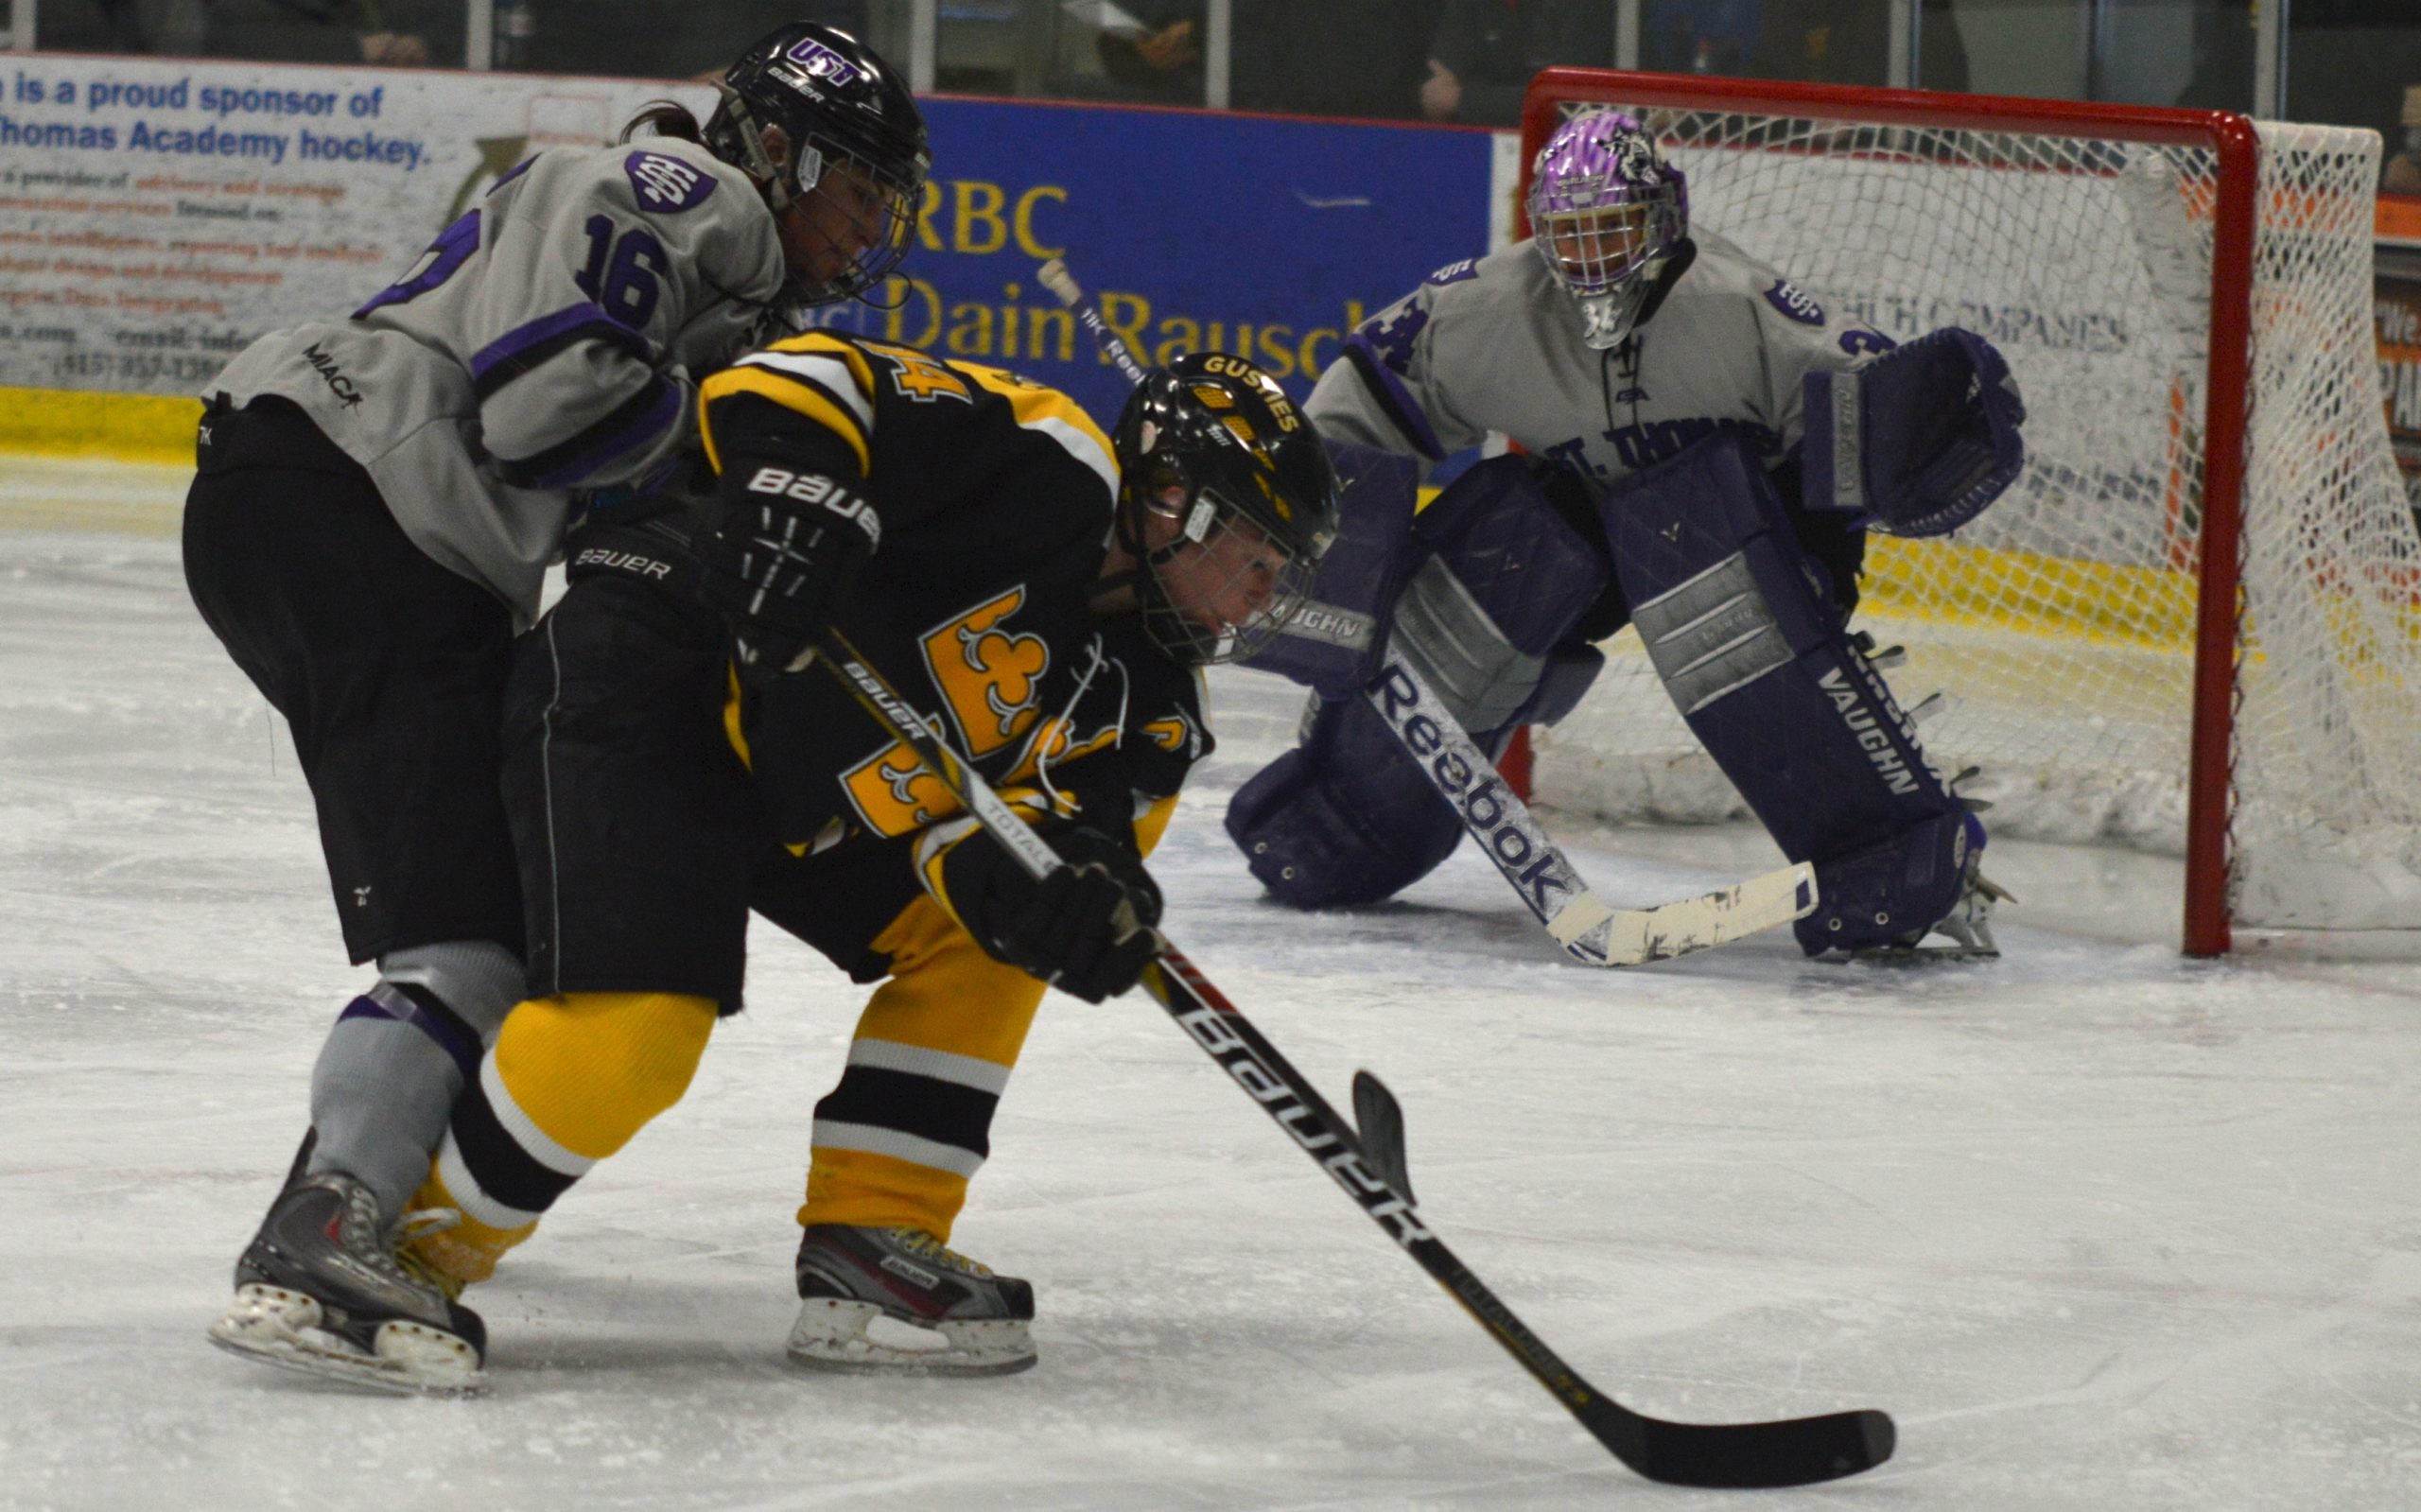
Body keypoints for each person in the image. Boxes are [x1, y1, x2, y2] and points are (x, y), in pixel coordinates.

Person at [303, 345, 1330, 1393]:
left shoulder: (1151, 709)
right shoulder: (1046, 462)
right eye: (1253, 559)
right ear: (1171, 504)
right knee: (637, 1040)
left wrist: (1071, 898)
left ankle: (877, 1227)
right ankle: (399, 1252)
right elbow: (799, 378)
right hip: (667, 675)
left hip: (813, 788)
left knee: (1011, 928)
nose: (1255, 601)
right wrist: (798, 502)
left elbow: (1023, 841)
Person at [198, 22, 929, 1392]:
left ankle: (351, 1196)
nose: (873, 221)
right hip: (365, 502)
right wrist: (714, 513)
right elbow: (544, 405)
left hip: (323, 497)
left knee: (481, 921)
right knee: (471, 936)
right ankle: (326, 1220)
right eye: (862, 185)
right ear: (779, 147)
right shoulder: (697, 200)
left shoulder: (707, 252)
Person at [1228, 108, 2025, 961]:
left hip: (1736, 526)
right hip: (1578, 526)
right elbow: (1362, 400)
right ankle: (1350, 816)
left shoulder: (1741, 305)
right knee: (1503, 555)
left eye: (1613, 228)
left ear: (1665, 215)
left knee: (1715, 571)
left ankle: (1891, 854)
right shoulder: (1490, 308)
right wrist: (1321, 558)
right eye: (1568, 235)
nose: (1590, 257)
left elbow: (1861, 417)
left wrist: (1843, 540)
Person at [1420, 0, 1612, 127]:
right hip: (1481, 145)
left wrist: (1464, 100)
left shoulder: (1583, 7)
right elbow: (1436, 89)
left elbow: (1570, 101)